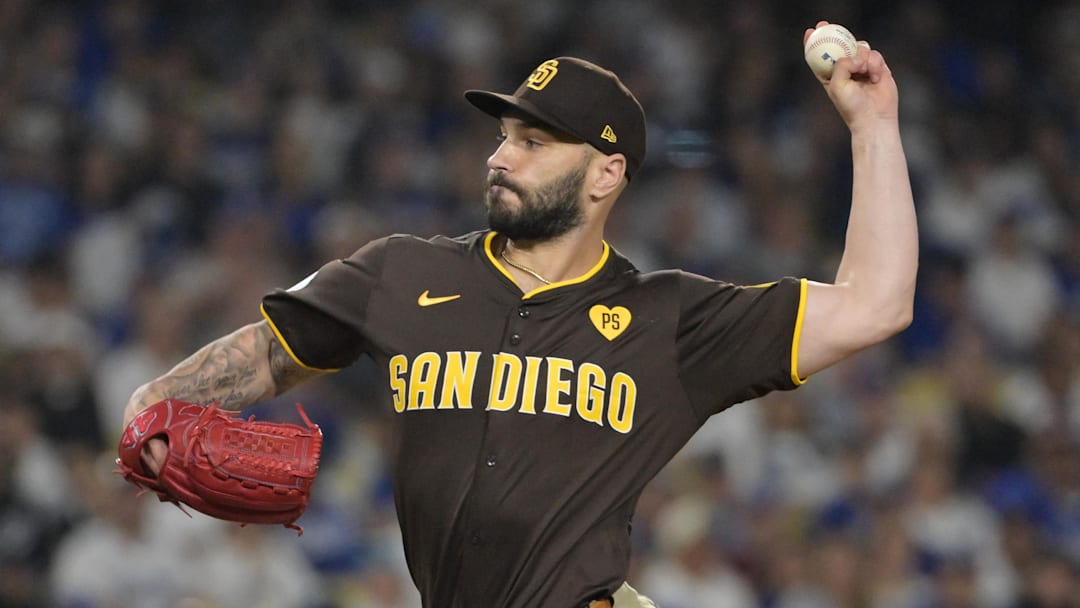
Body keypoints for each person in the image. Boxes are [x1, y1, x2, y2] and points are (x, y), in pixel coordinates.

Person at [123, 22, 917, 608]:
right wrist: (155, 402)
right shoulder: (401, 272)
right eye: (504, 135)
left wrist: (871, 125)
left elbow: (875, 304)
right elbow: (265, 354)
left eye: (535, 141)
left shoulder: (670, 319)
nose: (501, 155)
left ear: (605, 175)